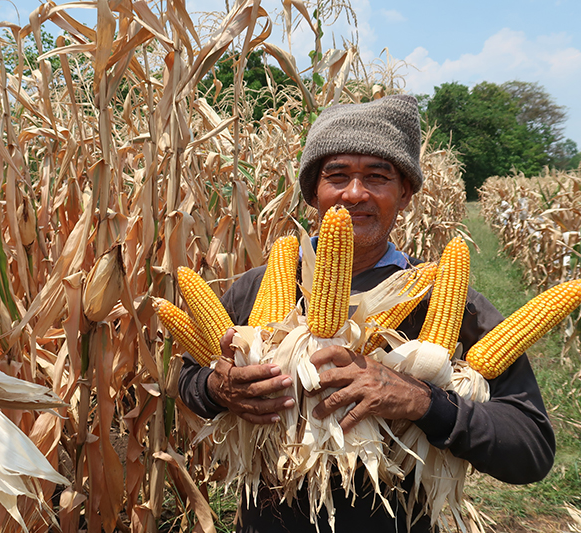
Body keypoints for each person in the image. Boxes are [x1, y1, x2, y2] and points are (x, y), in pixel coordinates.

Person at [178, 94, 555, 533]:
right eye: (336, 176)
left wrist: (425, 403)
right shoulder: (255, 287)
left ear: (405, 193)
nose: (354, 194)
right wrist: (215, 387)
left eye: (377, 177)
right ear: (313, 193)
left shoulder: (446, 301)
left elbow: (531, 449)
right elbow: (189, 379)